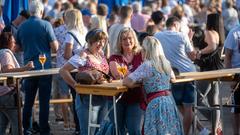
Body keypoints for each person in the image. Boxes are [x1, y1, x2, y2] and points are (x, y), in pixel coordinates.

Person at [123, 36, 184, 135]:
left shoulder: (147, 65)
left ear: (147, 51)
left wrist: (132, 77)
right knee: (169, 130)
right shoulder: (166, 63)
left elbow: (127, 82)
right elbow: (173, 78)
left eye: (143, 49)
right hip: (168, 100)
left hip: (155, 103)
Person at [16, 1, 58, 134]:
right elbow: (55, 47)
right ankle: (44, 130)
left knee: (28, 101)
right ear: (41, 11)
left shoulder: (22, 26)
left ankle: (26, 129)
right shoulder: (46, 24)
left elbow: (17, 48)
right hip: (44, 68)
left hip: (28, 69)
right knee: (44, 102)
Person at [60, 28, 109, 135]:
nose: (101, 44)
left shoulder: (101, 54)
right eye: (98, 41)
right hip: (87, 99)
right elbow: (63, 70)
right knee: (88, 132)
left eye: (103, 41)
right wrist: (75, 86)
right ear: (90, 41)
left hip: (104, 98)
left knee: (101, 132)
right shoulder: (83, 55)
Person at [154, 16, 196, 135]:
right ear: (176, 25)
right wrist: (190, 39)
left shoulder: (158, 36)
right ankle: (187, 133)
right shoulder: (182, 36)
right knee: (188, 107)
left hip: (173, 74)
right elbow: (192, 56)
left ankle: (196, 130)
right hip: (189, 73)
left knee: (178, 105)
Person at [193, 13, 224, 135]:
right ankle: (215, 129)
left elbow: (212, 46)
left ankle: (216, 123)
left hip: (209, 69)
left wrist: (200, 51)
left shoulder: (210, 32)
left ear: (210, 21)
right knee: (213, 99)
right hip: (217, 68)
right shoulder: (219, 34)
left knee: (198, 98)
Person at [109, 27, 143, 135]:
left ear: (134, 39)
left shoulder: (141, 55)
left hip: (136, 98)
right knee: (118, 130)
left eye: (130, 38)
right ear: (119, 42)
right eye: (124, 39)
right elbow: (117, 74)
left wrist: (128, 75)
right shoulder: (115, 57)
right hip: (117, 99)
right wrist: (135, 75)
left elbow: (144, 73)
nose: (127, 41)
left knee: (134, 130)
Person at [0, 32, 34, 135]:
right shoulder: (5, 53)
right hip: (8, 93)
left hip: (2, 93)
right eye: (13, 42)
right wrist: (26, 68)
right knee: (17, 124)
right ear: (8, 43)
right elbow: (7, 70)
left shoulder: (1, 52)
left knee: (2, 125)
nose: (15, 44)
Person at [224, 24, 240, 135]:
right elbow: (227, 56)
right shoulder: (234, 32)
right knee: (236, 108)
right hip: (237, 75)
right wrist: (230, 78)